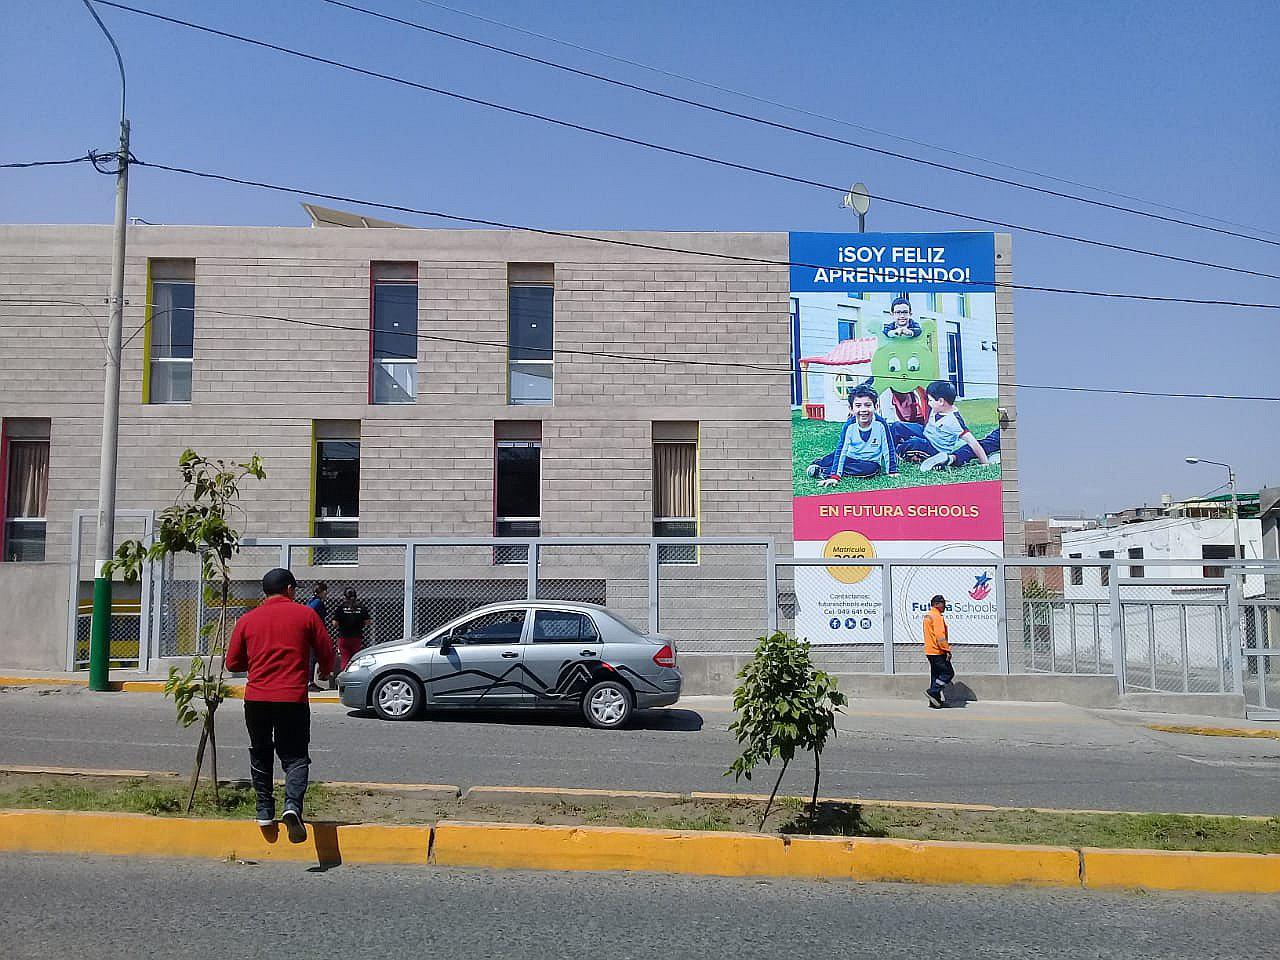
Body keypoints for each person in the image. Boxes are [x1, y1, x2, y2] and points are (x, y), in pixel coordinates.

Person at [225, 567, 334, 841]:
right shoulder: (306, 615)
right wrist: (324, 670)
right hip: (292, 698)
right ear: (289, 589)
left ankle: (264, 810)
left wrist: (257, 659)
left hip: (256, 699)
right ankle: (292, 807)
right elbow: (326, 650)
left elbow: (232, 663)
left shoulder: (247, 620)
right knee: (296, 756)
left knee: (260, 751)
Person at [890, 379, 1000, 471]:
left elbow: (973, 442)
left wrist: (985, 463)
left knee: (914, 443)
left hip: (935, 447)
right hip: (926, 433)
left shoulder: (953, 421)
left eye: (930, 400)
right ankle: (890, 447)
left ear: (941, 401)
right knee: (897, 426)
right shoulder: (937, 408)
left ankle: (897, 456)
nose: (928, 403)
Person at [805, 384, 898, 485]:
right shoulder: (849, 425)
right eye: (858, 406)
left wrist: (892, 471)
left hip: (868, 462)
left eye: (868, 405)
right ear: (851, 409)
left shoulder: (881, 424)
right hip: (850, 456)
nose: (863, 410)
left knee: (870, 470)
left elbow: (888, 447)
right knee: (836, 455)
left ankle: (822, 471)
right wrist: (835, 476)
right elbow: (842, 450)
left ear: (876, 407)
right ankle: (819, 463)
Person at [923, 594, 954, 708]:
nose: (945, 606)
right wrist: (947, 650)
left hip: (930, 651)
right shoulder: (937, 617)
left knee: (935, 676)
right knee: (948, 673)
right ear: (936, 604)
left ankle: (935, 702)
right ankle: (933, 691)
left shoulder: (929, 615)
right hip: (938, 651)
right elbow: (940, 636)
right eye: (943, 603)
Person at [332, 588, 372, 672]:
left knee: (345, 658)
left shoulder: (341, 608)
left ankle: (344, 675)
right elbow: (368, 622)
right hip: (356, 637)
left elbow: (334, 623)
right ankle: (354, 674)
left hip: (343, 637)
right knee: (355, 658)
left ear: (345, 597)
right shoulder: (361, 608)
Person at [304, 582, 329, 692]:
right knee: (312, 658)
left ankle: (311, 680)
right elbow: (310, 613)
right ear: (323, 592)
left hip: (311, 633)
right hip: (314, 633)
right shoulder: (317, 602)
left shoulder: (311, 601)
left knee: (313, 657)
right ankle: (309, 682)